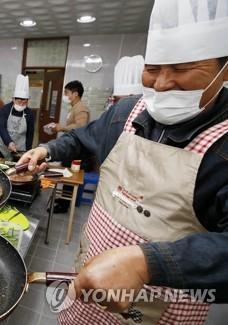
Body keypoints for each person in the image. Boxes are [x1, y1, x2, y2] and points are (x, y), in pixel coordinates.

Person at [18, 0, 228, 323]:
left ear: (223, 69)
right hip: (84, 300)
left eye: (182, 69)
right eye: (154, 68)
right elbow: (80, 137)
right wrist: (47, 151)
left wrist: (148, 263)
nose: (160, 83)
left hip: (156, 314)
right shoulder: (126, 112)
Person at [0, 74, 35, 159]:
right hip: (4, 145)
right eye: (19, 101)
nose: (21, 104)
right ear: (13, 99)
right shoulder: (5, 109)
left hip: (20, 148)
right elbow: (1, 128)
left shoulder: (29, 113)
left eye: (24, 102)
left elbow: (30, 134)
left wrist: (28, 150)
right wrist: (9, 142)